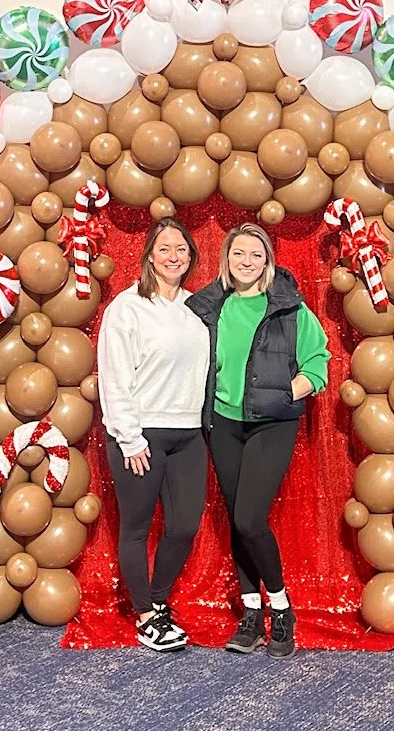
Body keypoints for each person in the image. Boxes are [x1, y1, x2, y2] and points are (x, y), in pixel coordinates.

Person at [188, 222, 330, 658]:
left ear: (267, 261)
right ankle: (251, 613)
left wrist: (284, 392)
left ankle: (282, 608)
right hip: (224, 424)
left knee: (250, 518)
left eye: (255, 255)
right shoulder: (210, 307)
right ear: (226, 260)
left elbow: (318, 366)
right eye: (238, 255)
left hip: (271, 424)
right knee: (236, 518)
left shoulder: (289, 309)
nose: (246, 262)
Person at [96, 217, 211, 652]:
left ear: (190, 258)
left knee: (183, 525)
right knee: (137, 528)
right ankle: (145, 616)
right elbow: (115, 376)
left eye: (181, 249)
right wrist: (129, 436)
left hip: (188, 432)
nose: (173, 256)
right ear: (148, 256)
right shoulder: (127, 308)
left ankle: (159, 601)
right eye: (164, 248)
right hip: (140, 433)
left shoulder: (196, 307)